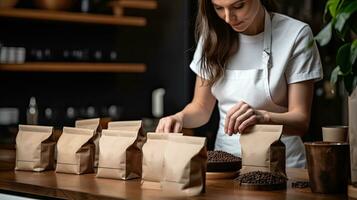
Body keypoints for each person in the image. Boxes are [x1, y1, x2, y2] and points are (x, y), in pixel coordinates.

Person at [155, 0, 323, 168]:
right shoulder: (212, 36)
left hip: (284, 167)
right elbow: (201, 107)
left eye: (238, 6)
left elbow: (301, 121)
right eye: (219, 8)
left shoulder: (295, 34)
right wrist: (179, 118)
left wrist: (263, 118)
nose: (228, 18)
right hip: (224, 168)